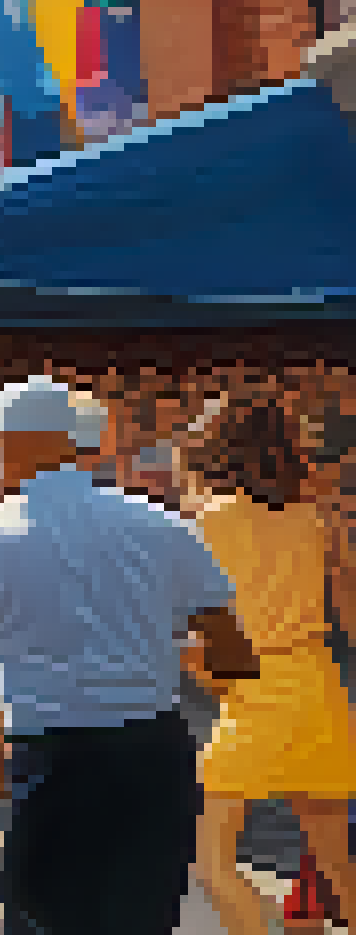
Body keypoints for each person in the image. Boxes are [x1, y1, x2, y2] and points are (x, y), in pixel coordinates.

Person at [0, 375, 261, 935]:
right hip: (156, 753)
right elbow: (233, 654)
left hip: (56, 757)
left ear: (13, 445)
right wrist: (164, 655)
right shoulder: (160, 523)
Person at [180, 399, 356, 935]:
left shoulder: (207, 521)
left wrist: (200, 673)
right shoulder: (316, 517)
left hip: (254, 689)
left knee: (212, 862)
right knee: (338, 866)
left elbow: (189, 626)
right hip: (319, 682)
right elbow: (347, 604)